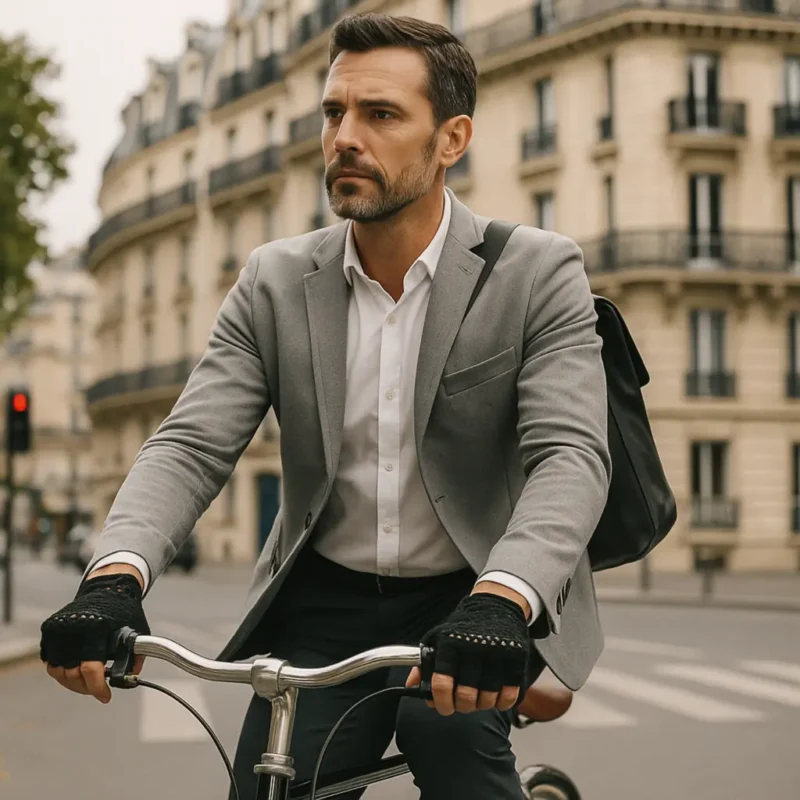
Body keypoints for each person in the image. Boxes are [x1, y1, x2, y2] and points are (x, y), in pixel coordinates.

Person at [39, 13, 611, 799]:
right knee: (271, 786)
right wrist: (113, 578)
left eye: (380, 115)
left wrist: (505, 600)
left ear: (452, 139)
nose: (345, 137)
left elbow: (569, 456)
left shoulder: (536, 272)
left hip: (474, 589)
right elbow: (191, 446)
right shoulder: (273, 281)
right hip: (325, 600)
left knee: (448, 737)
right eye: (334, 113)